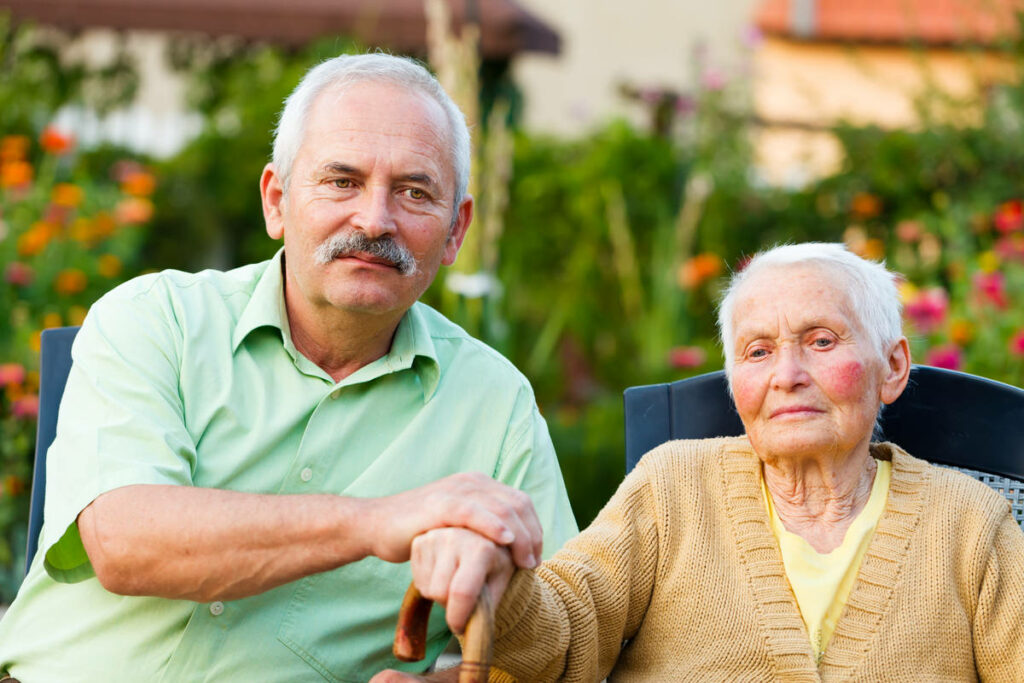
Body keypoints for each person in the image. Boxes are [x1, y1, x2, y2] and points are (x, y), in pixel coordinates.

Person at [0, 53, 577, 681]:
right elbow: (123, 541)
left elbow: (562, 633)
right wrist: (377, 522)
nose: (375, 219)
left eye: (414, 192)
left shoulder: (497, 405)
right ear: (277, 201)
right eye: (341, 181)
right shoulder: (155, 318)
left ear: (455, 231)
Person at [381, 242, 1024, 682]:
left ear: (892, 368)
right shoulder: (673, 486)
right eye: (757, 352)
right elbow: (569, 629)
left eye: (820, 342)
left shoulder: (972, 521)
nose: (787, 376)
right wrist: (504, 579)